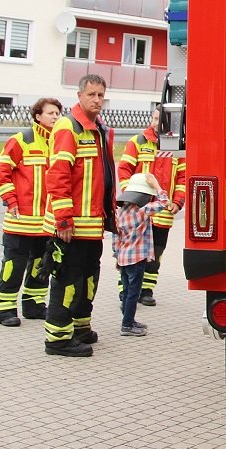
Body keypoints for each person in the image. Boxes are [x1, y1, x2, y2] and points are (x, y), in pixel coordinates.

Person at [42, 75, 116, 357]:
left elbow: (102, 177)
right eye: (92, 95)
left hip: (92, 226)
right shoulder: (68, 127)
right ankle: (58, 339)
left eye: (101, 95)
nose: (97, 100)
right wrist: (63, 219)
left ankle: (80, 327)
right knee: (67, 280)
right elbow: (58, 176)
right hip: (71, 227)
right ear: (79, 95)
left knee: (88, 279)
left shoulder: (99, 129)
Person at [0, 96, 64, 326]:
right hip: (20, 221)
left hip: (46, 223)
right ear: (38, 116)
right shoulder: (22, 140)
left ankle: (34, 305)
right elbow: (0, 170)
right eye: (50, 113)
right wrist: (10, 199)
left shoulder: (60, 143)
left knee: (40, 268)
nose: (55, 117)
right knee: (14, 267)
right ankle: (4, 309)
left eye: (57, 113)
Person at [116, 104, 186, 307]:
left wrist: (178, 202)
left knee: (156, 251)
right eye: (155, 118)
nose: (157, 123)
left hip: (162, 211)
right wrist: (130, 200)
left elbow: (182, 177)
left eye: (161, 119)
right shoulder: (137, 142)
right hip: (137, 212)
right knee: (130, 251)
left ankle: (146, 289)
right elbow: (124, 171)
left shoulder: (177, 148)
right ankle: (126, 289)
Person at [112, 171, 174, 336]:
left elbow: (115, 238)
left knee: (126, 291)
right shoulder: (143, 210)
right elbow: (164, 202)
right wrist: (157, 185)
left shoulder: (119, 213)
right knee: (134, 293)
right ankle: (127, 326)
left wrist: (116, 256)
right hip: (137, 259)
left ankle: (129, 319)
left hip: (123, 258)